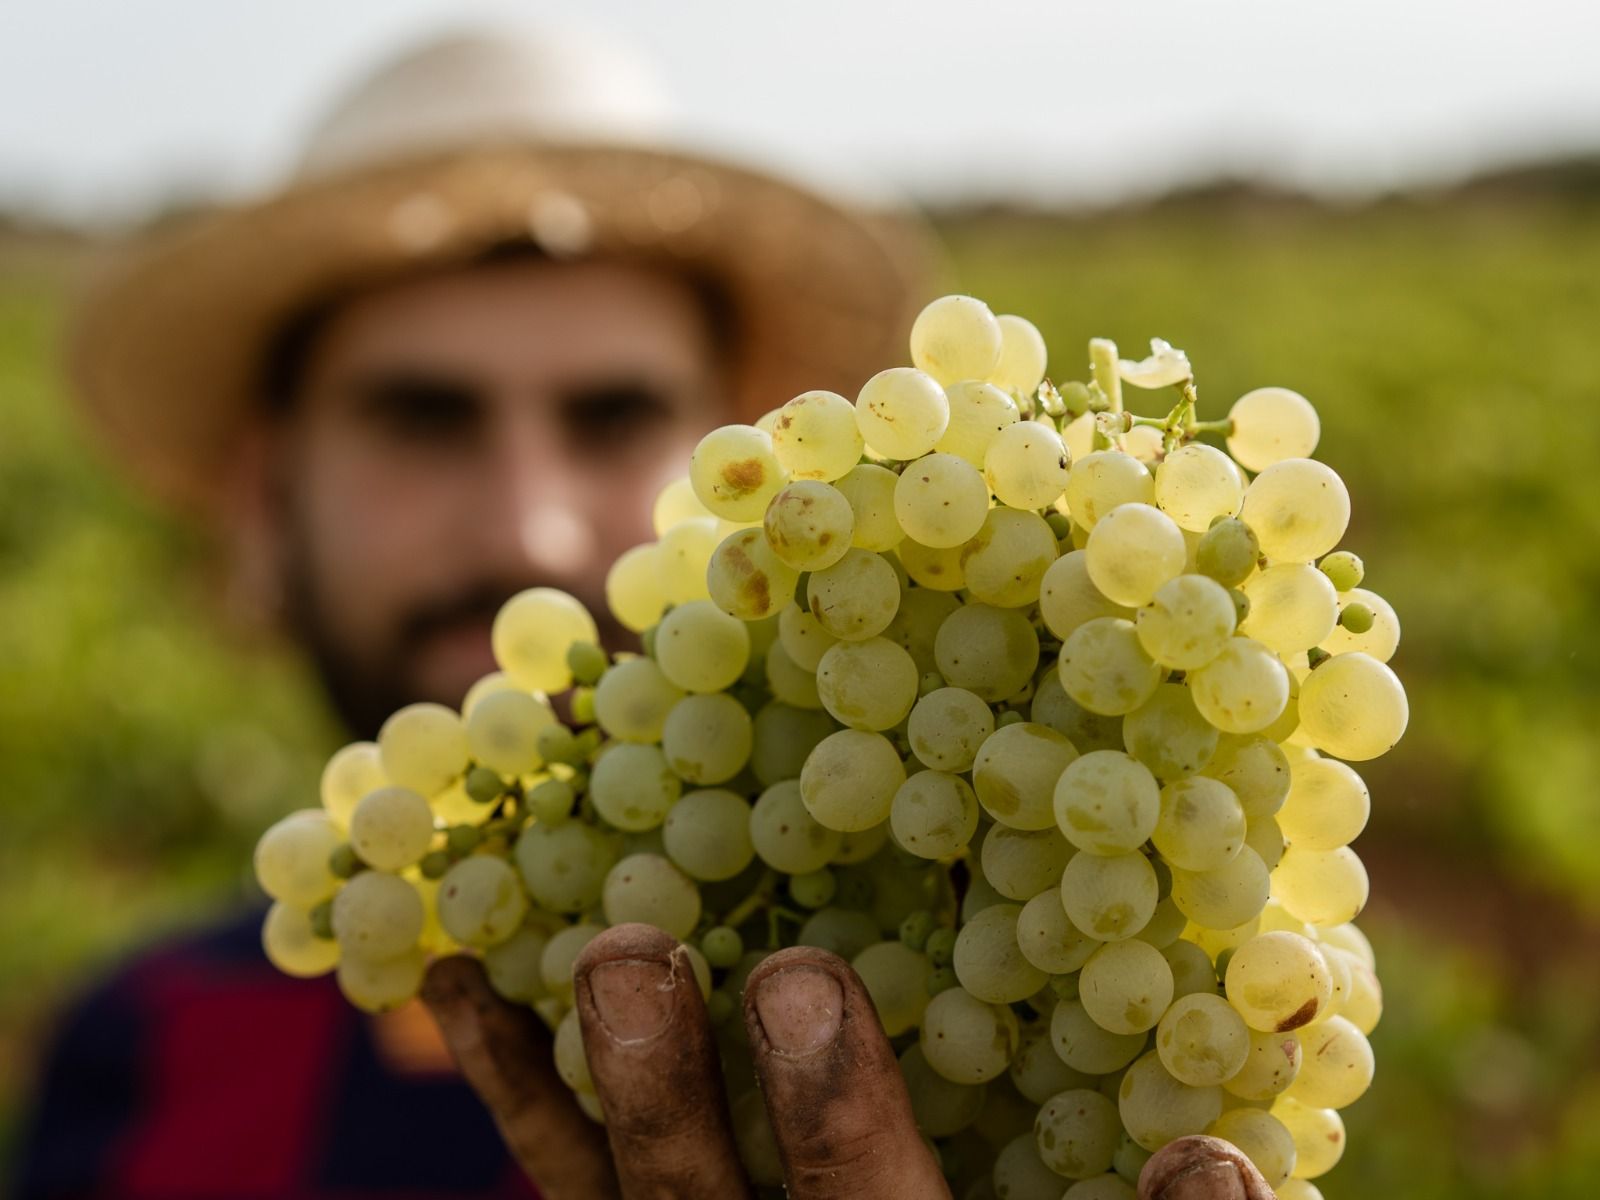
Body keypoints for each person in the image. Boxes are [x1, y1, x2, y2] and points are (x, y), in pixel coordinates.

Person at [13, 28, 1275, 1200]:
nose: (532, 532)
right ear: (262, 492)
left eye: (613, 416)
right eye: (421, 417)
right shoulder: (140, 1052)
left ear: (759, 483)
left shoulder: (998, 994)